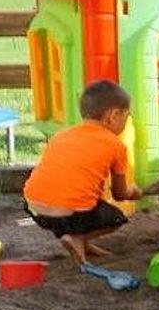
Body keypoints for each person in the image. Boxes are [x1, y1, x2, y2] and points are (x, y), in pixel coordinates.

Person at [23, 79, 150, 264]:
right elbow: (120, 194)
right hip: (71, 215)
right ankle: (77, 238)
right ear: (114, 115)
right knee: (116, 219)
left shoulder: (61, 135)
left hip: (35, 208)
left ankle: (81, 243)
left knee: (86, 200)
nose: (127, 120)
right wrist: (136, 192)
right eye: (126, 115)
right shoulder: (116, 145)